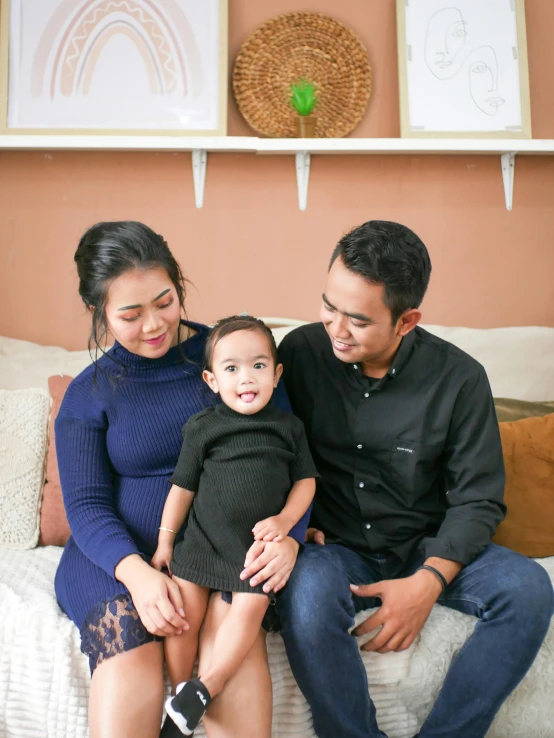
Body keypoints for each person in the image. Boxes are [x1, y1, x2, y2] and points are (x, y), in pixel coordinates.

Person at [268, 220, 554, 738]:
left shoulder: (460, 379)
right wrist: (294, 523)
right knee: (305, 592)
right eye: (329, 306)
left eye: (357, 319)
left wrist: (429, 581)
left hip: (427, 543)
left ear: (406, 321)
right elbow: (265, 450)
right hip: (336, 547)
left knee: (529, 588)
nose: (335, 328)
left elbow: (478, 501)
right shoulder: (298, 355)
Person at [54, 221, 308, 738]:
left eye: (164, 302)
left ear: (180, 285)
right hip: (116, 560)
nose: (153, 324)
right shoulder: (89, 394)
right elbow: (86, 506)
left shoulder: (236, 360)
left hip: (222, 552)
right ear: (99, 312)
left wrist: (290, 540)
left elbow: (289, 462)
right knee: (131, 656)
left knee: (228, 663)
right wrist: (139, 576)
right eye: (130, 314)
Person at [152, 315, 317, 735]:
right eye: (231, 369)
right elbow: (182, 489)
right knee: (181, 615)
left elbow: (306, 482)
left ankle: (204, 689)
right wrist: (165, 542)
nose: (247, 378)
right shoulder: (204, 427)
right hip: (203, 542)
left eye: (259, 366)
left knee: (248, 613)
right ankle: (179, 692)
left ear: (277, 375)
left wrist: (285, 521)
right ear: (211, 380)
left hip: (253, 553)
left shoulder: (288, 429)